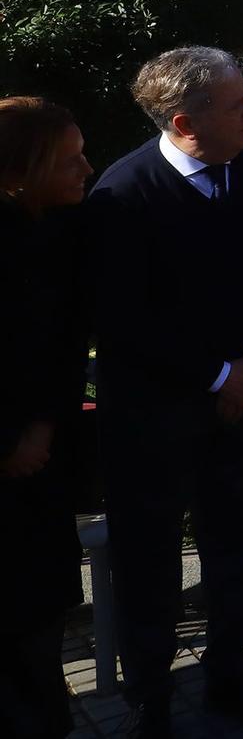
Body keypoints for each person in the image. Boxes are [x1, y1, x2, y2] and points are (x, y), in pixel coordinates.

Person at [88, 49, 243, 735]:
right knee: (148, 555)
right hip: (153, 415)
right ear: (184, 122)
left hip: (240, 401)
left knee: (234, 539)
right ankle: (150, 696)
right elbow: (123, 321)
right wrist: (217, 375)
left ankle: (231, 674)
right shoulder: (123, 195)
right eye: (238, 104)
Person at [0, 98, 92, 739]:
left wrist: (45, 426)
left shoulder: (55, 229)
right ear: (20, 169)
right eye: (69, 160)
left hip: (38, 470)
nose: (87, 169)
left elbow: (60, 349)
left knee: (39, 625)